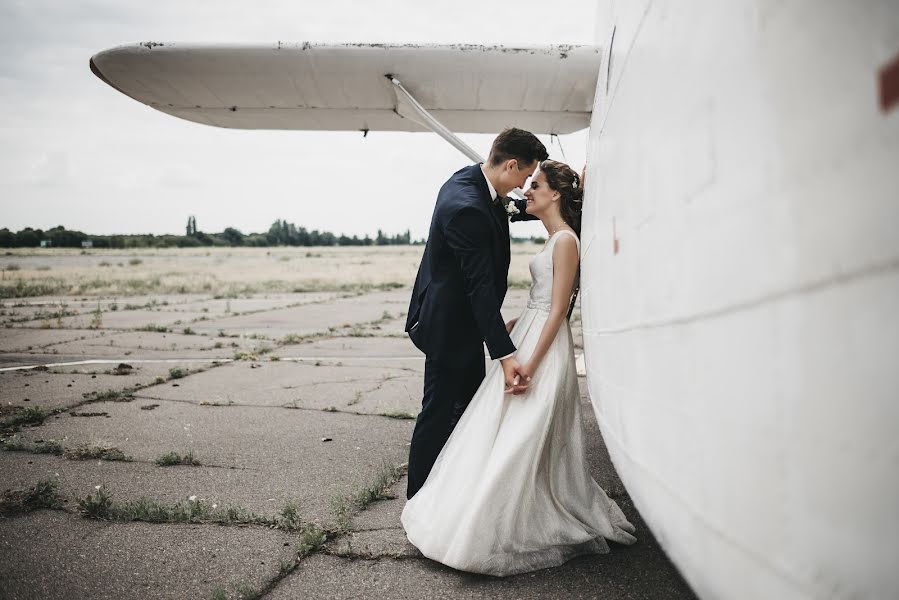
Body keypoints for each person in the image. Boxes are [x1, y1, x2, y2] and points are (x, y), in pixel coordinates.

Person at [401, 160, 637, 576]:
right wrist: (516, 325)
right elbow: (543, 302)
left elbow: (559, 310)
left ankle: (502, 521)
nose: (527, 191)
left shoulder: (565, 241)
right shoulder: (555, 240)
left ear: (556, 195)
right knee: (506, 430)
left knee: (521, 434)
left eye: (536, 185)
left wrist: (529, 360)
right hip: (528, 331)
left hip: (542, 348)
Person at [404, 128, 548, 500]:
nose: (523, 187)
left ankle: (451, 493)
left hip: (464, 320)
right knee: (439, 412)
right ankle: (418, 499)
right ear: (511, 164)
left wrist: (566, 196)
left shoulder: (473, 179)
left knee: (466, 410)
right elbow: (479, 290)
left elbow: (509, 209)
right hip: (448, 326)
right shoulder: (466, 207)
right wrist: (505, 354)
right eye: (524, 176)